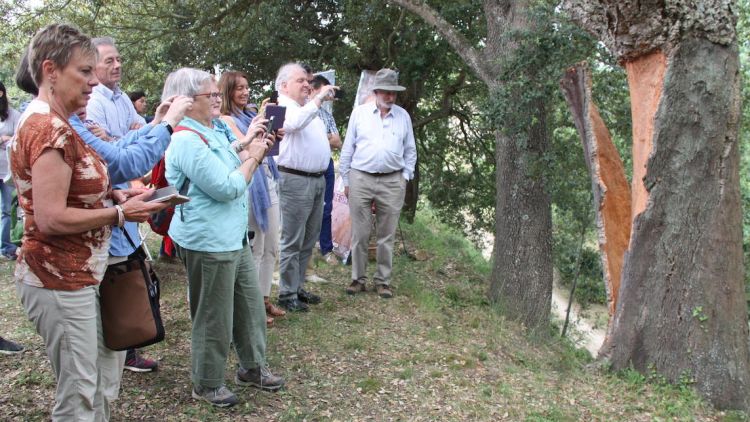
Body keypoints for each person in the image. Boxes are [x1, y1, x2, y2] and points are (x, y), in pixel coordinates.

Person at [11, 24, 168, 420]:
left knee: (99, 376)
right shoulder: (49, 129)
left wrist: (114, 194)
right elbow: (50, 217)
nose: (93, 81)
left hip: (83, 274)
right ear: (51, 70)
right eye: (84, 71)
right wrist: (119, 214)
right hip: (58, 278)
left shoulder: (61, 121)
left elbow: (68, 189)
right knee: (80, 390)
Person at [163, 68, 284, 407]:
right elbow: (228, 186)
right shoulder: (185, 139)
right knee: (214, 315)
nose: (218, 99)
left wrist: (246, 143)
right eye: (210, 95)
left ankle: (252, 367)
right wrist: (257, 155)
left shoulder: (212, 127)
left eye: (218, 94)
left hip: (233, 237)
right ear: (186, 103)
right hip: (207, 241)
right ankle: (207, 382)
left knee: (249, 306)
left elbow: (228, 154)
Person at [86, 36, 159, 372]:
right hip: (104, 203)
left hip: (122, 197)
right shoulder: (93, 101)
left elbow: (137, 137)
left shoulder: (121, 99)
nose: (116, 66)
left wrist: (129, 138)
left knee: (129, 268)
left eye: (119, 59)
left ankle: (126, 345)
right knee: (116, 275)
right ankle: (120, 346)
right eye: (108, 61)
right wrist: (129, 141)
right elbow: (114, 155)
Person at [339, 68, 417, 299]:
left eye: (393, 93)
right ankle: (357, 279)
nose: (390, 97)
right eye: (386, 92)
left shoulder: (403, 116)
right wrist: (346, 178)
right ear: (376, 91)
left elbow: (410, 151)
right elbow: (347, 148)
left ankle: (383, 281)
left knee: (387, 234)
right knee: (360, 232)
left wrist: (405, 177)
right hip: (361, 176)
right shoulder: (360, 114)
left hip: (392, 180)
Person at [218, 71, 286, 326]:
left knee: (272, 246)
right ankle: (251, 306)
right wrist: (262, 121)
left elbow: (265, 146)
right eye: (239, 89)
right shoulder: (226, 119)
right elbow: (245, 147)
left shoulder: (249, 115)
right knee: (255, 249)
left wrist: (273, 133)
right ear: (228, 92)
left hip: (268, 180)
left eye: (247, 88)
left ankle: (264, 297)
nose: (245, 93)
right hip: (251, 187)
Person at [274, 63, 337, 312]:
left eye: (307, 81)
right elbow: (292, 125)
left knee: (308, 238)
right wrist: (319, 98)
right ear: (284, 85)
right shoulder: (280, 107)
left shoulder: (305, 109)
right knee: (292, 238)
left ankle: (297, 286)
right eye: (300, 80)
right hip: (295, 180)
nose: (307, 85)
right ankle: (286, 293)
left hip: (316, 179)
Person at [309, 75, 342, 265]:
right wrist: (325, 135)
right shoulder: (304, 110)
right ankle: (306, 248)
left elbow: (337, 141)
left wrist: (320, 135)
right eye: (325, 90)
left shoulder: (327, 115)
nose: (329, 94)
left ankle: (326, 248)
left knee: (326, 207)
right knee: (307, 208)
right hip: (306, 167)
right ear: (315, 89)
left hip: (326, 165)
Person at [0, 81, 20, 260]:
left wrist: (8, 138)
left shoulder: (13, 115)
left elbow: (22, 137)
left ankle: (8, 247)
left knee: (7, 209)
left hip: (6, 171)